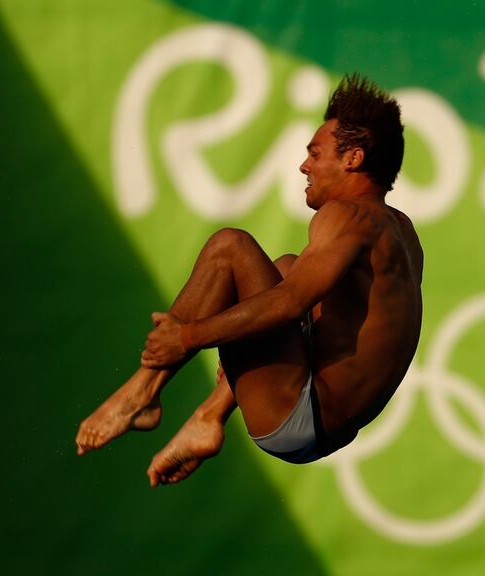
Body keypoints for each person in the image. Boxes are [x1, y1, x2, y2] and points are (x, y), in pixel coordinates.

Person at [75, 74, 423, 487]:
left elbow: (291, 304)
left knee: (230, 247)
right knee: (288, 266)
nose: (304, 165)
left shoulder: (347, 216)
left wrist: (185, 338)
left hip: (300, 414)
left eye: (315, 153)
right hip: (328, 424)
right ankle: (209, 416)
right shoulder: (400, 230)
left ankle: (142, 392)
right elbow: (315, 308)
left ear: (353, 159)